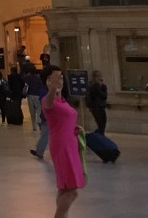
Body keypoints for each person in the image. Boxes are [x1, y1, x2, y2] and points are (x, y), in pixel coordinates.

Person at [42, 65, 84, 218]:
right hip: (62, 146)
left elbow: (64, 121)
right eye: (51, 79)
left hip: (69, 143)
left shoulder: (63, 101)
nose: (57, 81)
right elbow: (49, 102)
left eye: (60, 79)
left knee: (65, 188)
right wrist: (53, 86)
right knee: (72, 191)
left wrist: (75, 129)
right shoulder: (47, 100)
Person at [86, 70, 108, 134]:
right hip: (95, 107)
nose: (99, 78)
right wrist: (89, 106)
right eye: (97, 76)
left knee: (103, 122)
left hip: (101, 106)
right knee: (100, 122)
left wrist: (99, 86)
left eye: (100, 76)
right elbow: (88, 97)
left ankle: (101, 135)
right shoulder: (91, 86)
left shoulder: (103, 86)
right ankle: (100, 136)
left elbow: (104, 96)